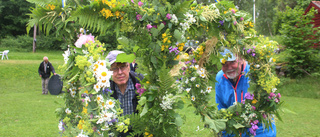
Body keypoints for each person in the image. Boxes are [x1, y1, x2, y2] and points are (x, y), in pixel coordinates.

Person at [215, 49, 276, 137]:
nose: (229, 67)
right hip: (233, 132)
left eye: (232, 62)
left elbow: (266, 107)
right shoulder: (220, 78)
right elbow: (221, 107)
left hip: (260, 132)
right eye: (224, 64)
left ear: (241, 58)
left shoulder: (255, 73)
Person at [105, 50, 142, 137]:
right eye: (114, 68)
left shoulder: (140, 82)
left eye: (123, 67)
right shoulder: (105, 89)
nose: (120, 72)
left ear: (128, 66)